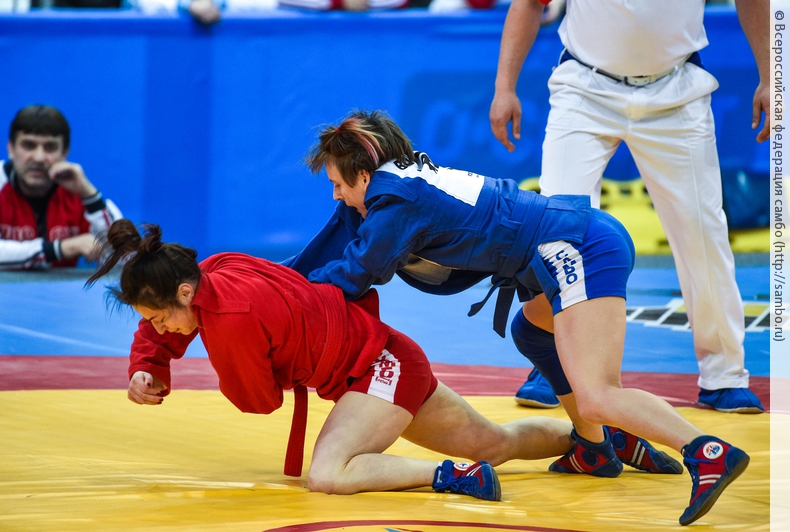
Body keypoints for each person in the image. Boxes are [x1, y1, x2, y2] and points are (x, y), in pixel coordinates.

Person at [284, 109, 750, 525]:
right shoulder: (404, 176)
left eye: (339, 184)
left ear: (365, 175)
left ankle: (706, 451)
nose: (337, 196)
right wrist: (273, 280)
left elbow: (356, 272)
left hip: (576, 247)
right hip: (571, 241)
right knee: (531, 331)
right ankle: (593, 448)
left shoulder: (395, 200)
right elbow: (334, 246)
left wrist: (288, 295)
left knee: (598, 395)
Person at [85, 219, 595, 501]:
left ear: (184, 292)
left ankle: (452, 474)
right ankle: (597, 441)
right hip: (388, 360)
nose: (159, 330)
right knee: (496, 443)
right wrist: (149, 361)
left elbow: (258, 401)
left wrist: (237, 360)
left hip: (379, 371)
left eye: (159, 319)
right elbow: (175, 322)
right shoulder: (216, 266)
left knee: (329, 474)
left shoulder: (231, 322)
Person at [488, 0, 768, 413]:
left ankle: (724, 375)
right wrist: (504, 88)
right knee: (556, 231)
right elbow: (529, 4)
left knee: (703, 234)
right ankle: (554, 364)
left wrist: (771, 77)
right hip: (585, 88)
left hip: (678, 91)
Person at [0, 105, 123, 270]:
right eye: (29, 145)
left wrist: (90, 196)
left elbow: (125, 259)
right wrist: (64, 248)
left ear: (65, 153)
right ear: (11, 149)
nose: (39, 157)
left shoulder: (76, 190)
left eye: (50, 147)